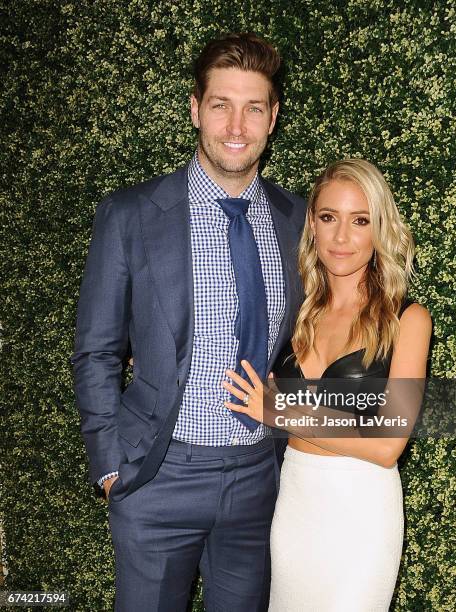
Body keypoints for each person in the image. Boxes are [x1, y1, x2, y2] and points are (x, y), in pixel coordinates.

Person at [71, 33, 306, 612]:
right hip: (158, 475)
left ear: (273, 118)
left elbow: (316, 338)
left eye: (253, 108)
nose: (236, 125)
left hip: (258, 480)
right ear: (195, 108)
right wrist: (108, 463)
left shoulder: (298, 217)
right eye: (221, 104)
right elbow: (96, 350)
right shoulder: (130, 214)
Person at [223, 159, 432, 611]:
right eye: (328, 218)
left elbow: (388, 444)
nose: (341, 237)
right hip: (296, 501)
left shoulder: (407, 319)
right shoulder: (297, 311)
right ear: (311, 226)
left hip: (361, 510)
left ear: (379, 230)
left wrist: (280, 411)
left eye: (360, 221)